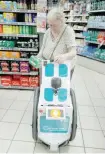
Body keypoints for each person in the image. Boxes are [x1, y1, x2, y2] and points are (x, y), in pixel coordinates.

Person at [37, 8, 77, 79]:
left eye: (54, 25)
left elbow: (73, 52)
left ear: (61, 22)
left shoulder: (68, 32)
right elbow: (42, 48)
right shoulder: (47, 32)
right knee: (48, 86)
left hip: (63, 66)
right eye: (49, 24)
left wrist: (65, 56)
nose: (51, 28)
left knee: (61, 87)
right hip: (49, 65)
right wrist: (37, 58)